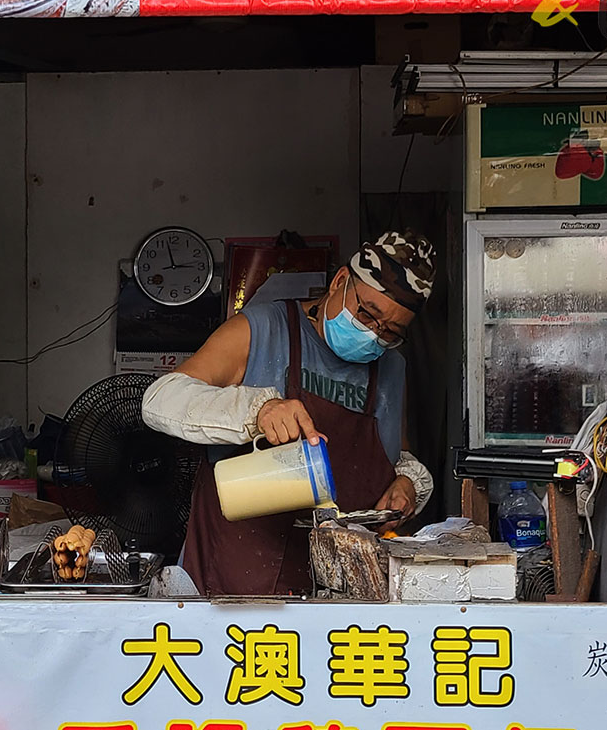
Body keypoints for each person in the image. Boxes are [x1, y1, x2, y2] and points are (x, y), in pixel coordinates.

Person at [142, 230, 436, 596]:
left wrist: (406, 482)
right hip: (232, 586)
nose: (373, 334)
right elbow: (159, 400)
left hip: (336, 598)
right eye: (367, 314)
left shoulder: (391, 369)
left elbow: (396, 454)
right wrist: (257, 409)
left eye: (390, 331)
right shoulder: (262, 329)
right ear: (341, 281)